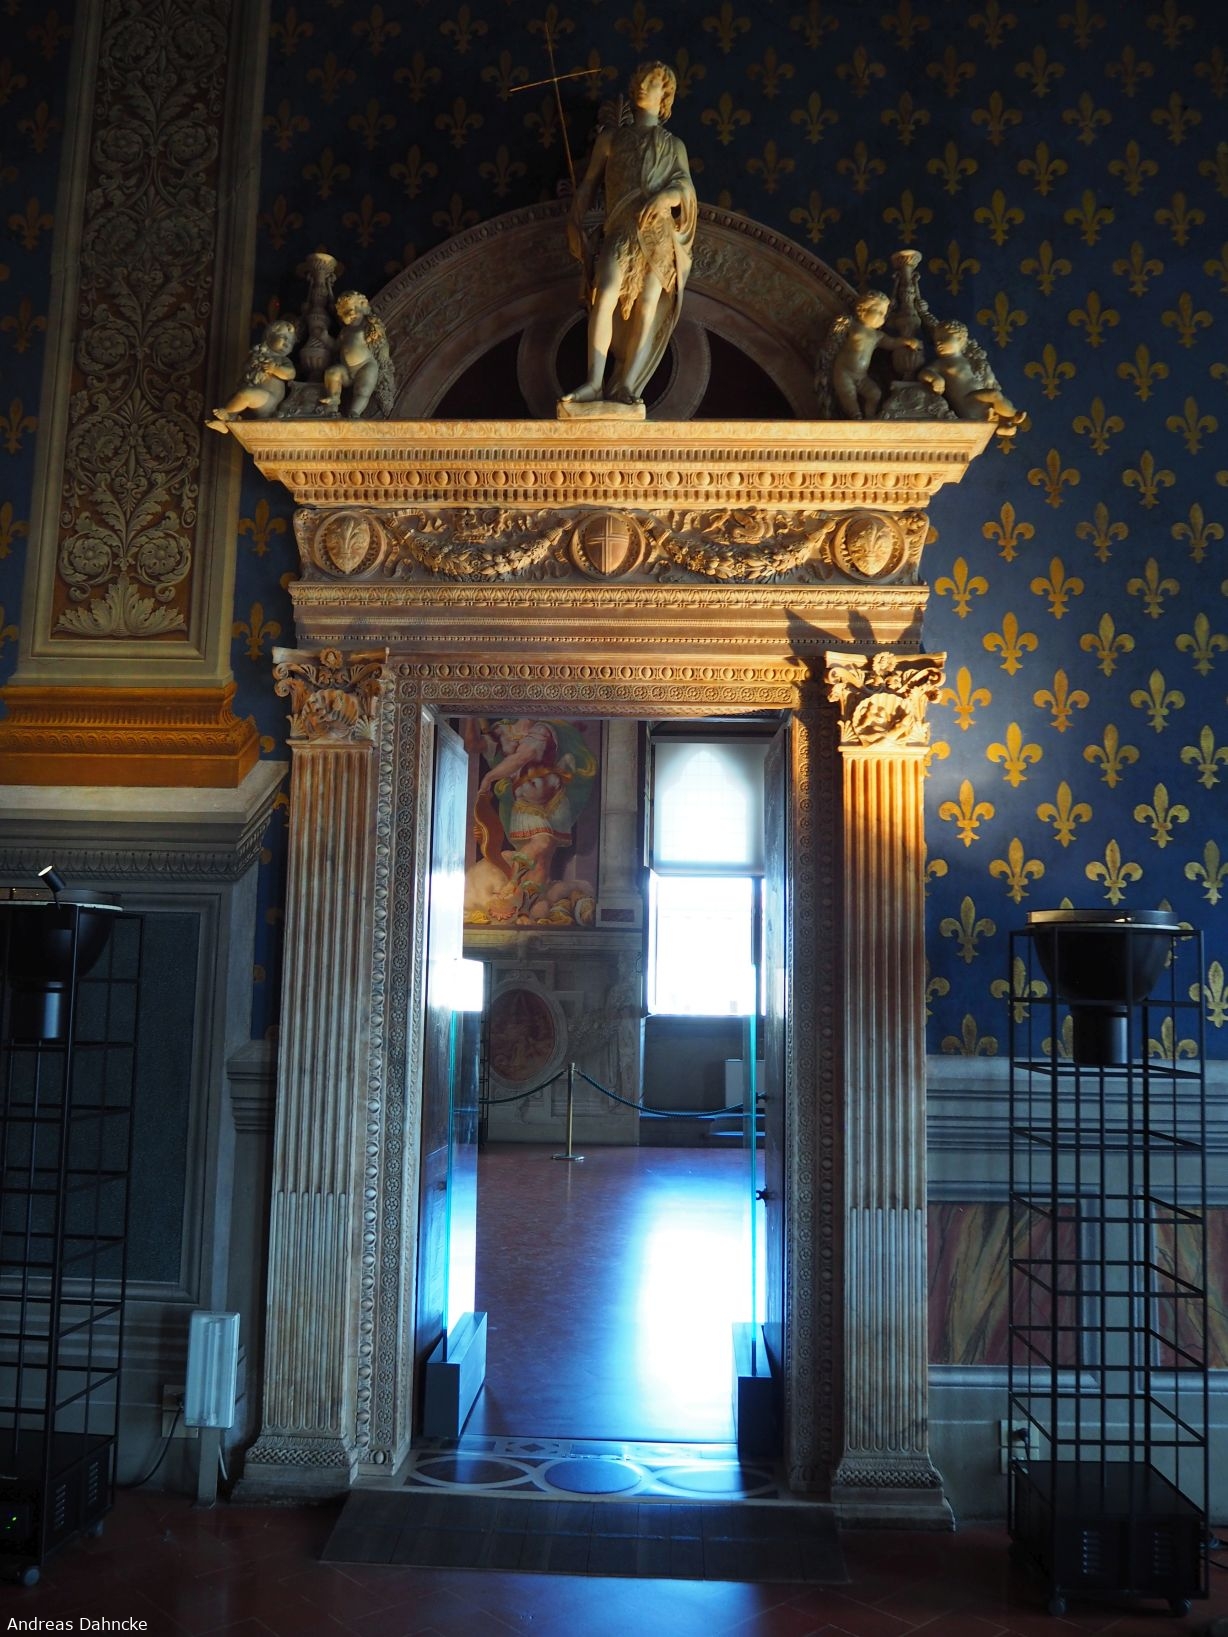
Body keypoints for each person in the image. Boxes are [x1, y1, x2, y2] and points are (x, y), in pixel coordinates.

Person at [562, 60, 698, 407]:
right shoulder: (611, 139)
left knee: (648, 305)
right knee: (605, 293)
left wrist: (668, 195)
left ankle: (627, 384)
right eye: (639, 78)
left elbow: (685, 188)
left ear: (665, 95)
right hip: (620, 229)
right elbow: (589, 184)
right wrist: (575, 219)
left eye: (651, 82)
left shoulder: (673, 145)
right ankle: (593, 382)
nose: (642, 85)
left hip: (657, 235)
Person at [917, 319, 1026, 435]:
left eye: (943, 338)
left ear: (960, 339)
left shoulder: (968, 360)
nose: (938, 342)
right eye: (936, 340)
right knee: (994, 395)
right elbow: (923, 373)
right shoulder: (940, 363)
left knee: (994, 403)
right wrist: (935, 379)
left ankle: (1005, 424)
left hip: (977, 398)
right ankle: (1013, 415)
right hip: (966, 401)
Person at [319, 291, 388, 418]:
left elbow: (379, 340)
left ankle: (355, 412)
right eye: (346, 311)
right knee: (332, 372)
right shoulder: (345, 332)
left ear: (363, 307)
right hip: (346, 369)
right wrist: (325, 338)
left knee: (363, 390)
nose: (351, 313)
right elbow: (335, 347)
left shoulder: (365, 327)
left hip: (365, 366)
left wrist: (375, 333)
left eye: (355, 308)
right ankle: (334, 397)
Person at [213, 320, 298, 421]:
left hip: (269, 400)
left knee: (245, 394)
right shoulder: (256, 355)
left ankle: (228, 414)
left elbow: (290, 374)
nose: (287, 344)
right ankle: (229, 418)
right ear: (269, 337)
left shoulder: (282, 360)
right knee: (235, 397)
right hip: (255, 395)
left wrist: (275, 369)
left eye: (291, 342)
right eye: (283, 337)